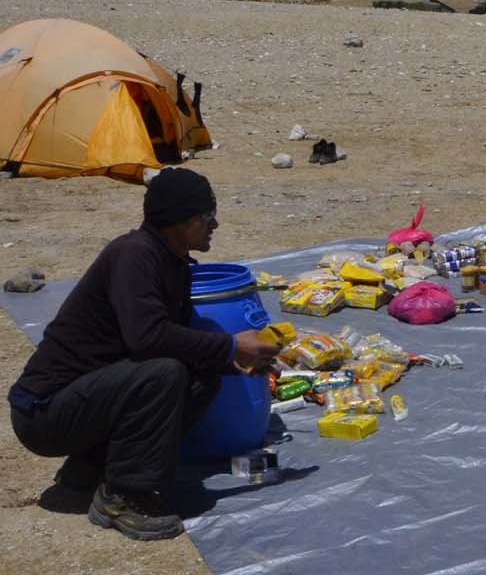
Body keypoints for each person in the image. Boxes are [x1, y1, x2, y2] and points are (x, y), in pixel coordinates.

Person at [7, 169, 281, 540]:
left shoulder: (173, 261)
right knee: (165, 373)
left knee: (201, 376)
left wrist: (234, 361)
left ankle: (89, 468)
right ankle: (124, 496)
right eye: (207, 215)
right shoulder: (133, 255)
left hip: (85, 400)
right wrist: (232, 346)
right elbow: (147, 338)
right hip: (44, 413)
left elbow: (177, 340)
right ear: (179, 221)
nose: (214, 224)